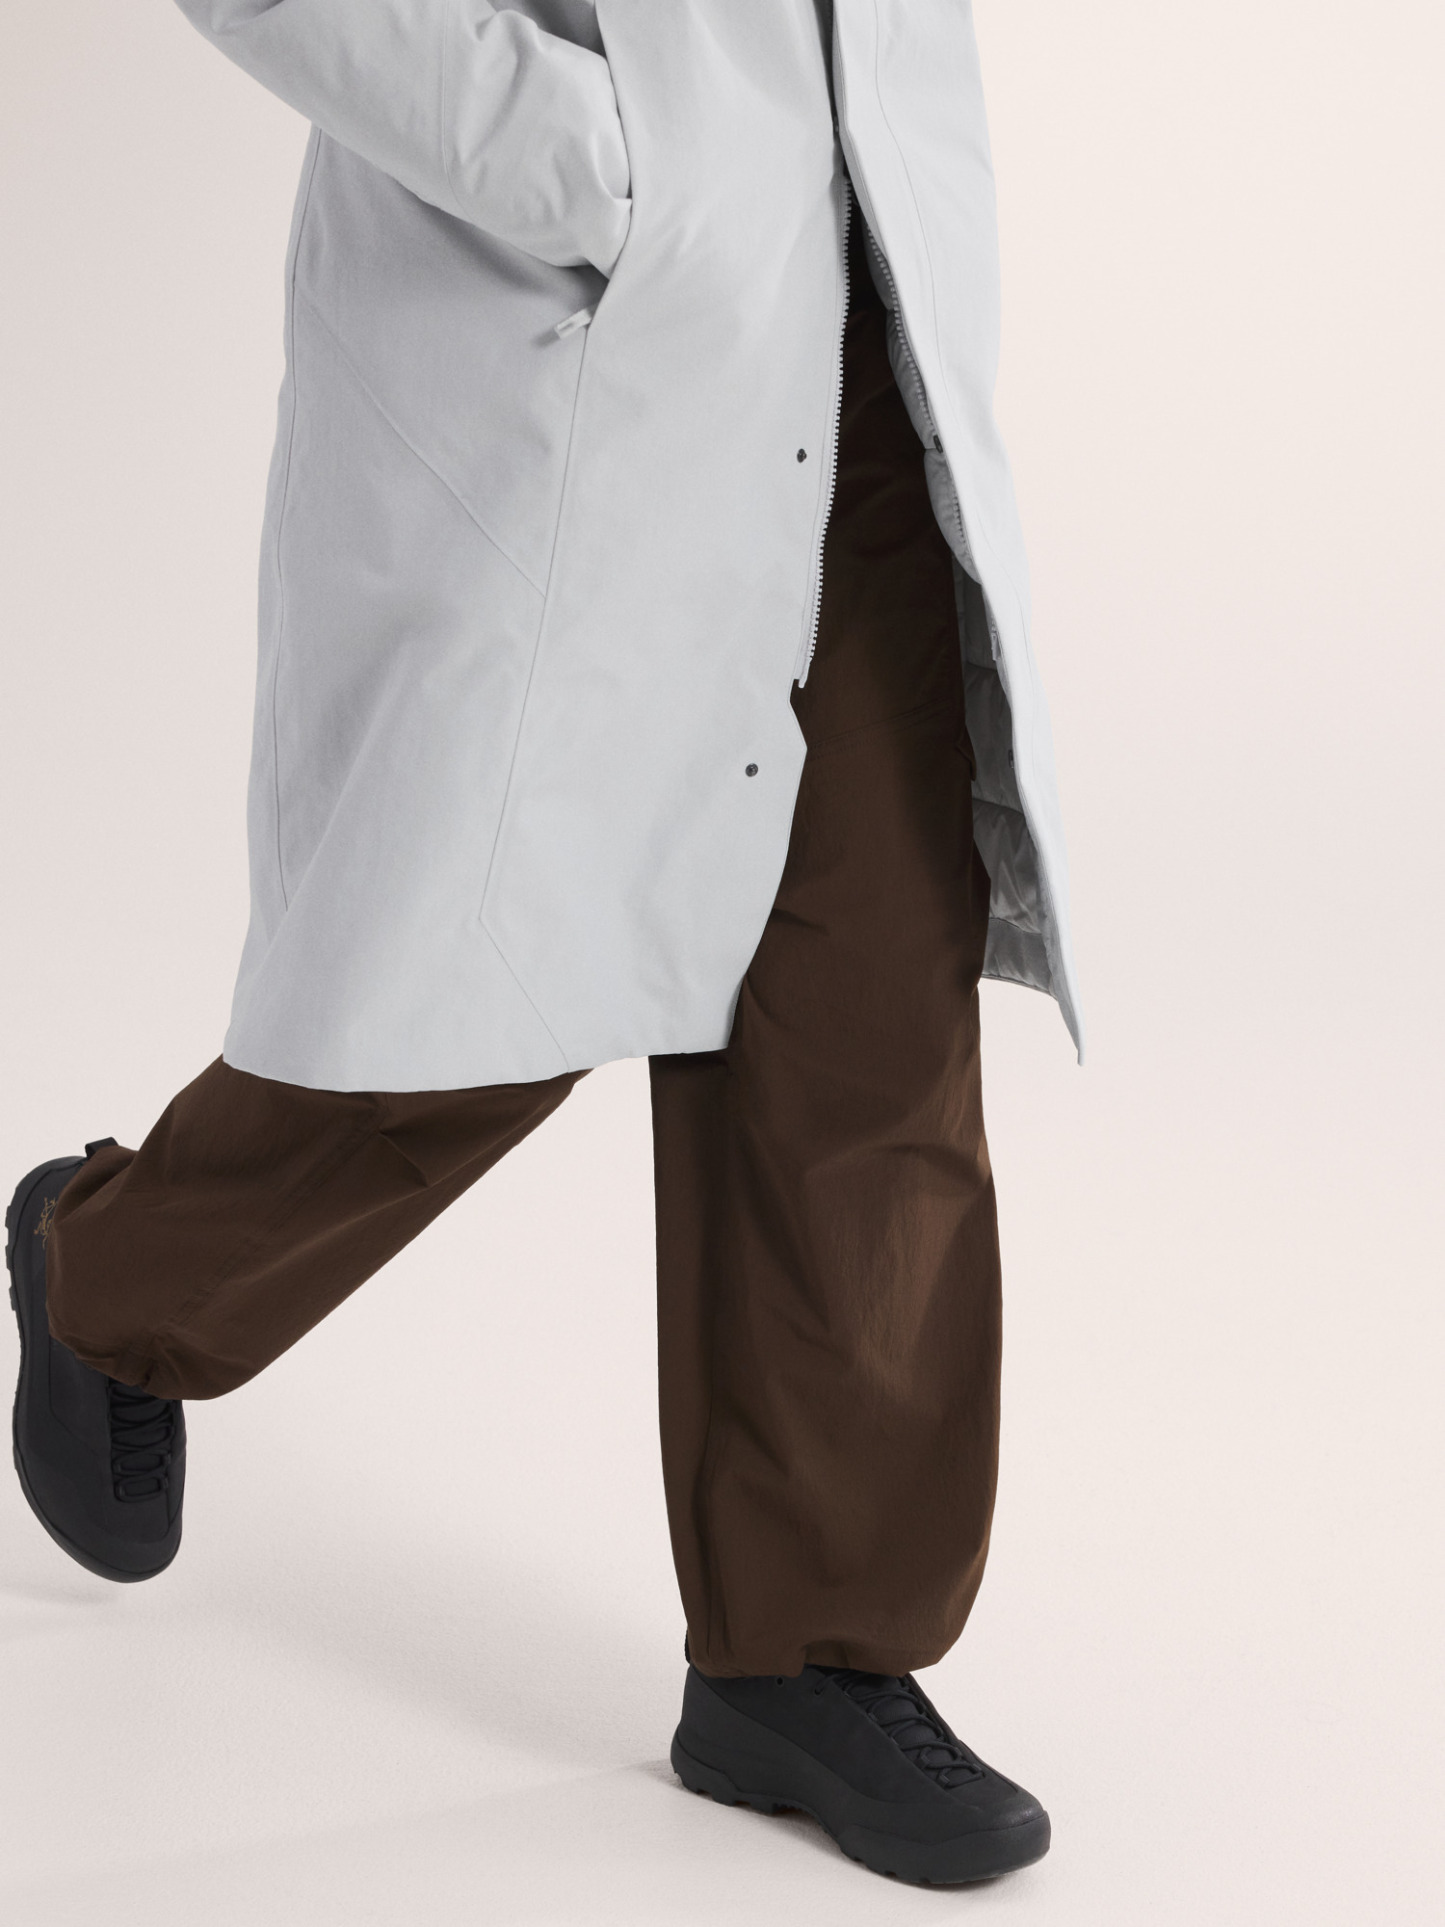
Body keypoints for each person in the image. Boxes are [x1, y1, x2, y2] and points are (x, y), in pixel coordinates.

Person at [6, 0, 1081, 1888]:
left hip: (855, 298)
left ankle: (804, 1652)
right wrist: (611, 169)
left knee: (866, 1018)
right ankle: (114, 1278)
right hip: (576, 323)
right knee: (476, 983)